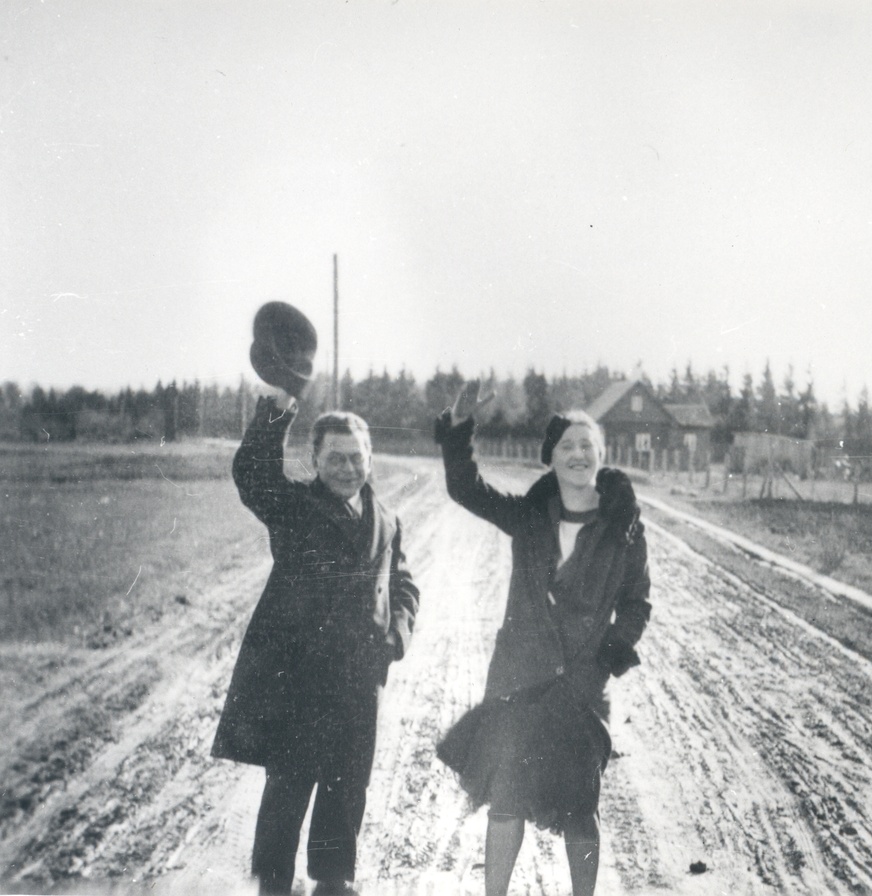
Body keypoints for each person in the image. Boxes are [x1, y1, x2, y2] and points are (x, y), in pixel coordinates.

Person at [433, 381, 651, 896]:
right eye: (566, 446)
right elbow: (467, 489)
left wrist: (606, 658)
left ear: (601, 455)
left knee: (580, 809)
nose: (577, 454)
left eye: (586, 445)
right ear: (550, 459)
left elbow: (637, 602)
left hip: (581, 687)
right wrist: (460, 433)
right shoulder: (529, 517)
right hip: (519, 679)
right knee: (506, 798)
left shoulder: (624, 528)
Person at [211, 390, 419, 896]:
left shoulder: (386, 519)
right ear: (315, 460)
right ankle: (275, 883)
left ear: (370, 460)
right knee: (288, 788)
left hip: (359, 679)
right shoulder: (296, 508)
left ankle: (332, 881)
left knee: (347, 788)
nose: (347, 468)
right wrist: (278, 411)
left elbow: (404, 585)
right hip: (298, 680)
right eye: (335, 458)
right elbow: (254, 476)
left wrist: (395, 637)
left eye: (356, 458)